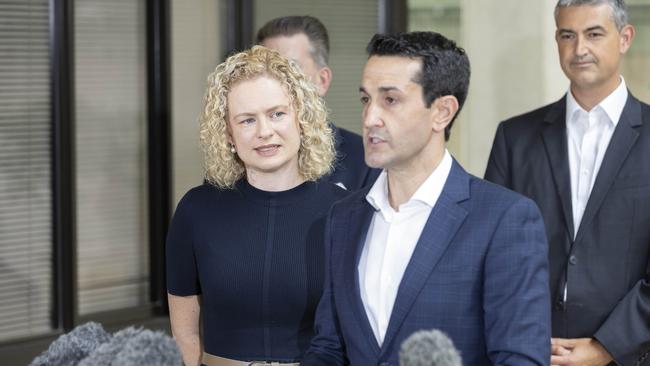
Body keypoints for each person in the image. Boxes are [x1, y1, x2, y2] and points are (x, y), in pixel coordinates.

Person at [302, 31, 551, 366]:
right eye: (366, 99)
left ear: (442, 112)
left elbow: (519, 360)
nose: (370, 118)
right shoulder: (343, 218)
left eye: (390, 100)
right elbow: (329, 349)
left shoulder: (504, 220)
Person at [485, 1, 650, 365]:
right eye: (567, 35)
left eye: (594, 34)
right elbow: (495, 253)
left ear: (625, 38)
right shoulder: (514, 139)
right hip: (531, 353)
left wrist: (607, 346)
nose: (579, 49)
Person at [165, 46, 349, 366]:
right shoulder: (196, 211)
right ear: (228, 134)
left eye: (277, 114)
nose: (265, 132)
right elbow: (185, 335)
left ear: (301, 119)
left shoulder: (345, 212)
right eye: (247, 120)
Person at [257, 15, 379, 190]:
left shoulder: (364, 160)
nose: (275, 82)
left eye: (291, 70)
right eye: (266, 70)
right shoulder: (242, 155)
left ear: (322, 81)